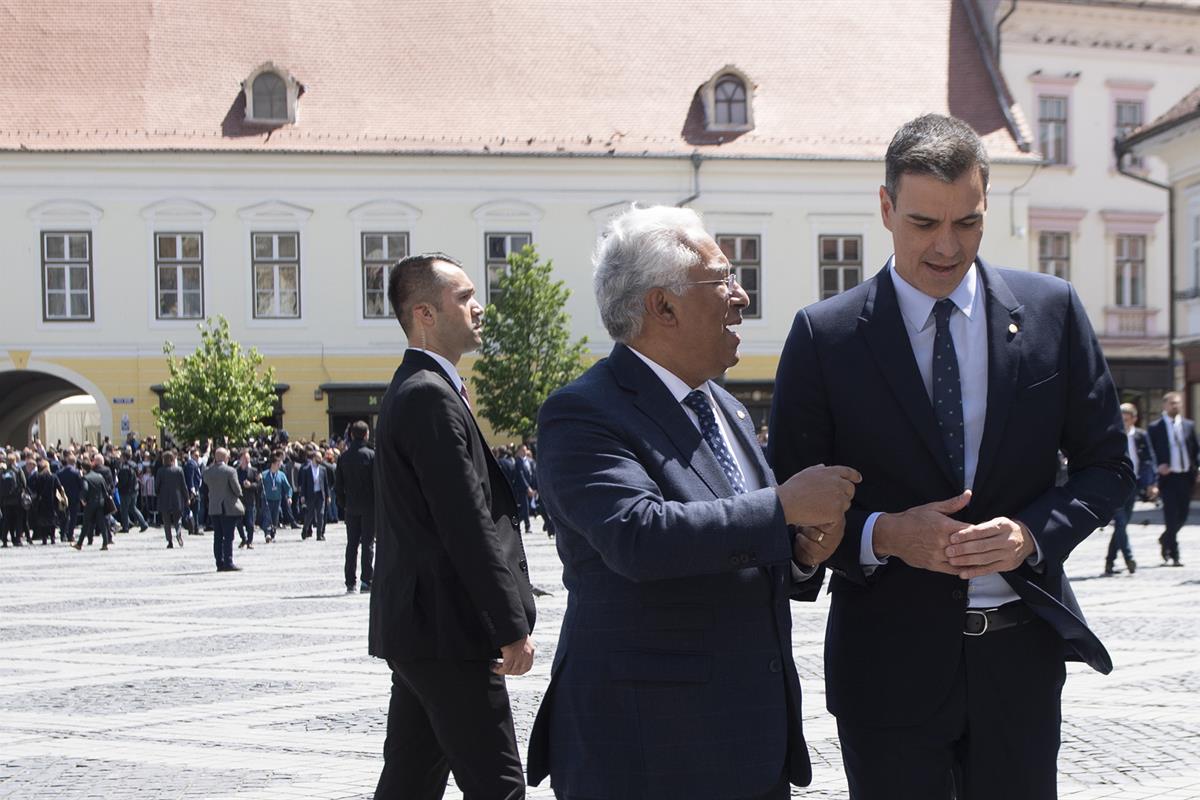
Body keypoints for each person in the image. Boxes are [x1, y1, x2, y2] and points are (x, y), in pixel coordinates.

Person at [768, 114, 1133, 800]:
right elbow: (790, 507)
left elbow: (1107, 467)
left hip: (1020, 663)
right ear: (885, 208)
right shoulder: (825, 337)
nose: (945, 246)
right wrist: (885, 536)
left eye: (966, 223)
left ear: (987, 206)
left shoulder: (1051, 311)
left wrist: (1031, 534)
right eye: (923, 223)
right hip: (886, 668)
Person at [528, 206, 860, 799]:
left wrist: (804, 552)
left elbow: (741, 547)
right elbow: (639, 537)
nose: (742, 296)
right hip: (645, 751)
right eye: (723, 279)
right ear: (663, 306)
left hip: (747, 746)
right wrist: (782, 508)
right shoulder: (584, 412)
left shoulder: (725, 407)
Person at [370, 252, 536, 800]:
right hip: (448, 630)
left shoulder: (426, 389)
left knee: (409, 785)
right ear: (424, 313)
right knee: (500, 788)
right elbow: (465, 523)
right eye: (464, 298)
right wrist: (510, 626)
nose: (478, 307)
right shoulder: (427, 396)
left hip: (424, 627)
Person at [1105, 403, 1157, 575]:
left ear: (1134, 419)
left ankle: (1110, 560)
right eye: (1121, 419)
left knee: (1123, 524)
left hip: (1133, 484)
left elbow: (1149, 459)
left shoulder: (1141, 436)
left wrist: (1152, 483)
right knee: (1120, 522)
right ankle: (1129, 558)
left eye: (1127, 419)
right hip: (1115, 485)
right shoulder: (1112, 434)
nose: (1124, 422)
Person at [1147, 391, 1198, 567]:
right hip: (1167, 478)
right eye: (1172, 403)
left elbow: (1195, 449)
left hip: (1185, 476)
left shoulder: (1188, 425)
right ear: (1165, 405)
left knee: (1183, 515)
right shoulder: (1155, 428)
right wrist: (1158, 467)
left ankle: (1165, 538)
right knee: (1170, 515)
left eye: (1178, 403)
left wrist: (1197, 468)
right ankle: (1174, 553)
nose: (1176, 406)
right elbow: (1150, 453)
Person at [335, 420, 375, 593]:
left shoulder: (343, 457)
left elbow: (338, 486)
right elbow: (377, 483)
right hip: (369, 506)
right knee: (368, 543)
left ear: (351, 435)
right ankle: (367, 580)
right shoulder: (371, 455)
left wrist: (344, 504)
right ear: (366, 435)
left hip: (351, 507)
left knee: (351, 544)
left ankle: (350, 581)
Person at [203, 447, 244, 572]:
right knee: (228, 536)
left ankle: (219, 563)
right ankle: (228, 562)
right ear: (226, 458)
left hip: (214, 507)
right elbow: (237, 490)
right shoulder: (230, 471)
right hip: (228, 507)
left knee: (218, 536)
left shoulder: (208, 472)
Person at [74, 460, 112, 551]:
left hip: (90, 504)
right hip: (100, 502)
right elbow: (105, 489)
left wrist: (82, 499)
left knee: (86, 524)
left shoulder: (85, 478)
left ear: (83, 469)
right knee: (102, 524)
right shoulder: (99, 476)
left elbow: (85, 489)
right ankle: (105, 543)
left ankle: (79, 544)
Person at [297, 448, 331, 541]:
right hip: (311, 495)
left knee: (320, 514)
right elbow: (303, 484)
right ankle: (305, 529)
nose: (320, 460)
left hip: (320, 495)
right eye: (319, 458)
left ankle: (319, 535)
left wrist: (328, 496)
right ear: (314, 458)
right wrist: (303, 496)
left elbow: (326, 484)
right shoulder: (306, 469)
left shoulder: (323, 469)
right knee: (310, 515)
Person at [156, 451, 188, 548]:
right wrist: (187, 497)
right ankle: (178, 533)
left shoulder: (160, 471)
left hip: (164, 499)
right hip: (177, 499)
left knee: (166, 522)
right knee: (177, 519)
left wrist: (158, 494)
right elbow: (183, 486)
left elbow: (157, 486)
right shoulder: (179, 470)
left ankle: (169, 541)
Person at [27, 458, 63, 545]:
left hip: (41, 501)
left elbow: (34, 489)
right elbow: (59, 487)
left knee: (43, 520)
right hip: (52, 500)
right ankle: (53, 538)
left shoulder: (38, 477)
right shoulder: (53, 476)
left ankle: (44, 538)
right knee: (52, 521)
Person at [259, 454, 292, 542]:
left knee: (275, 518)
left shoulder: (281, 475)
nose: (279, 466)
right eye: (278, 464)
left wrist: (289, 497)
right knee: (267, 516)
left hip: (277, 500)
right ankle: (267, 533)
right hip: (266, 500)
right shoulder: (264, 474)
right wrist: (258, 479)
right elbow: (258, 486)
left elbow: (288, 487)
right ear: (273, 464)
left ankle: (272, 532)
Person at [116, 451, 148, 532]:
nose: (120, 458)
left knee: (124, 509)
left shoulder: (124, 467)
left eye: (121, 457)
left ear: (124, 457)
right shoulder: (133, 464)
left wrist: (117, 486)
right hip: (134, 489)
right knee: (132, 507)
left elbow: (123, 480)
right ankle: (143, 523)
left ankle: (126, 527)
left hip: (126, 490)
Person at [235, 450, 261, 549]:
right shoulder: (236, 471)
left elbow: (259, 485)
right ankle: (243, 538)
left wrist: (250, 485)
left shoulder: (253, 471)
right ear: (240, 459)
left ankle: (249, 541)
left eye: (248, 458)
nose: (247, 460)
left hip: (250, 499)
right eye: (245, 458)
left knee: (250, 523)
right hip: (239, 500)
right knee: (238, 522)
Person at [58, 453, 84, 544]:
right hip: (74, 498)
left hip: (63, 497)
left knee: (63, 516)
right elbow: (81, 485)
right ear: (75, 462)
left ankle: (62, 534)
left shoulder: (60, 472)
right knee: (73, 517)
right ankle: (70, 535)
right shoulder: (77, 472)